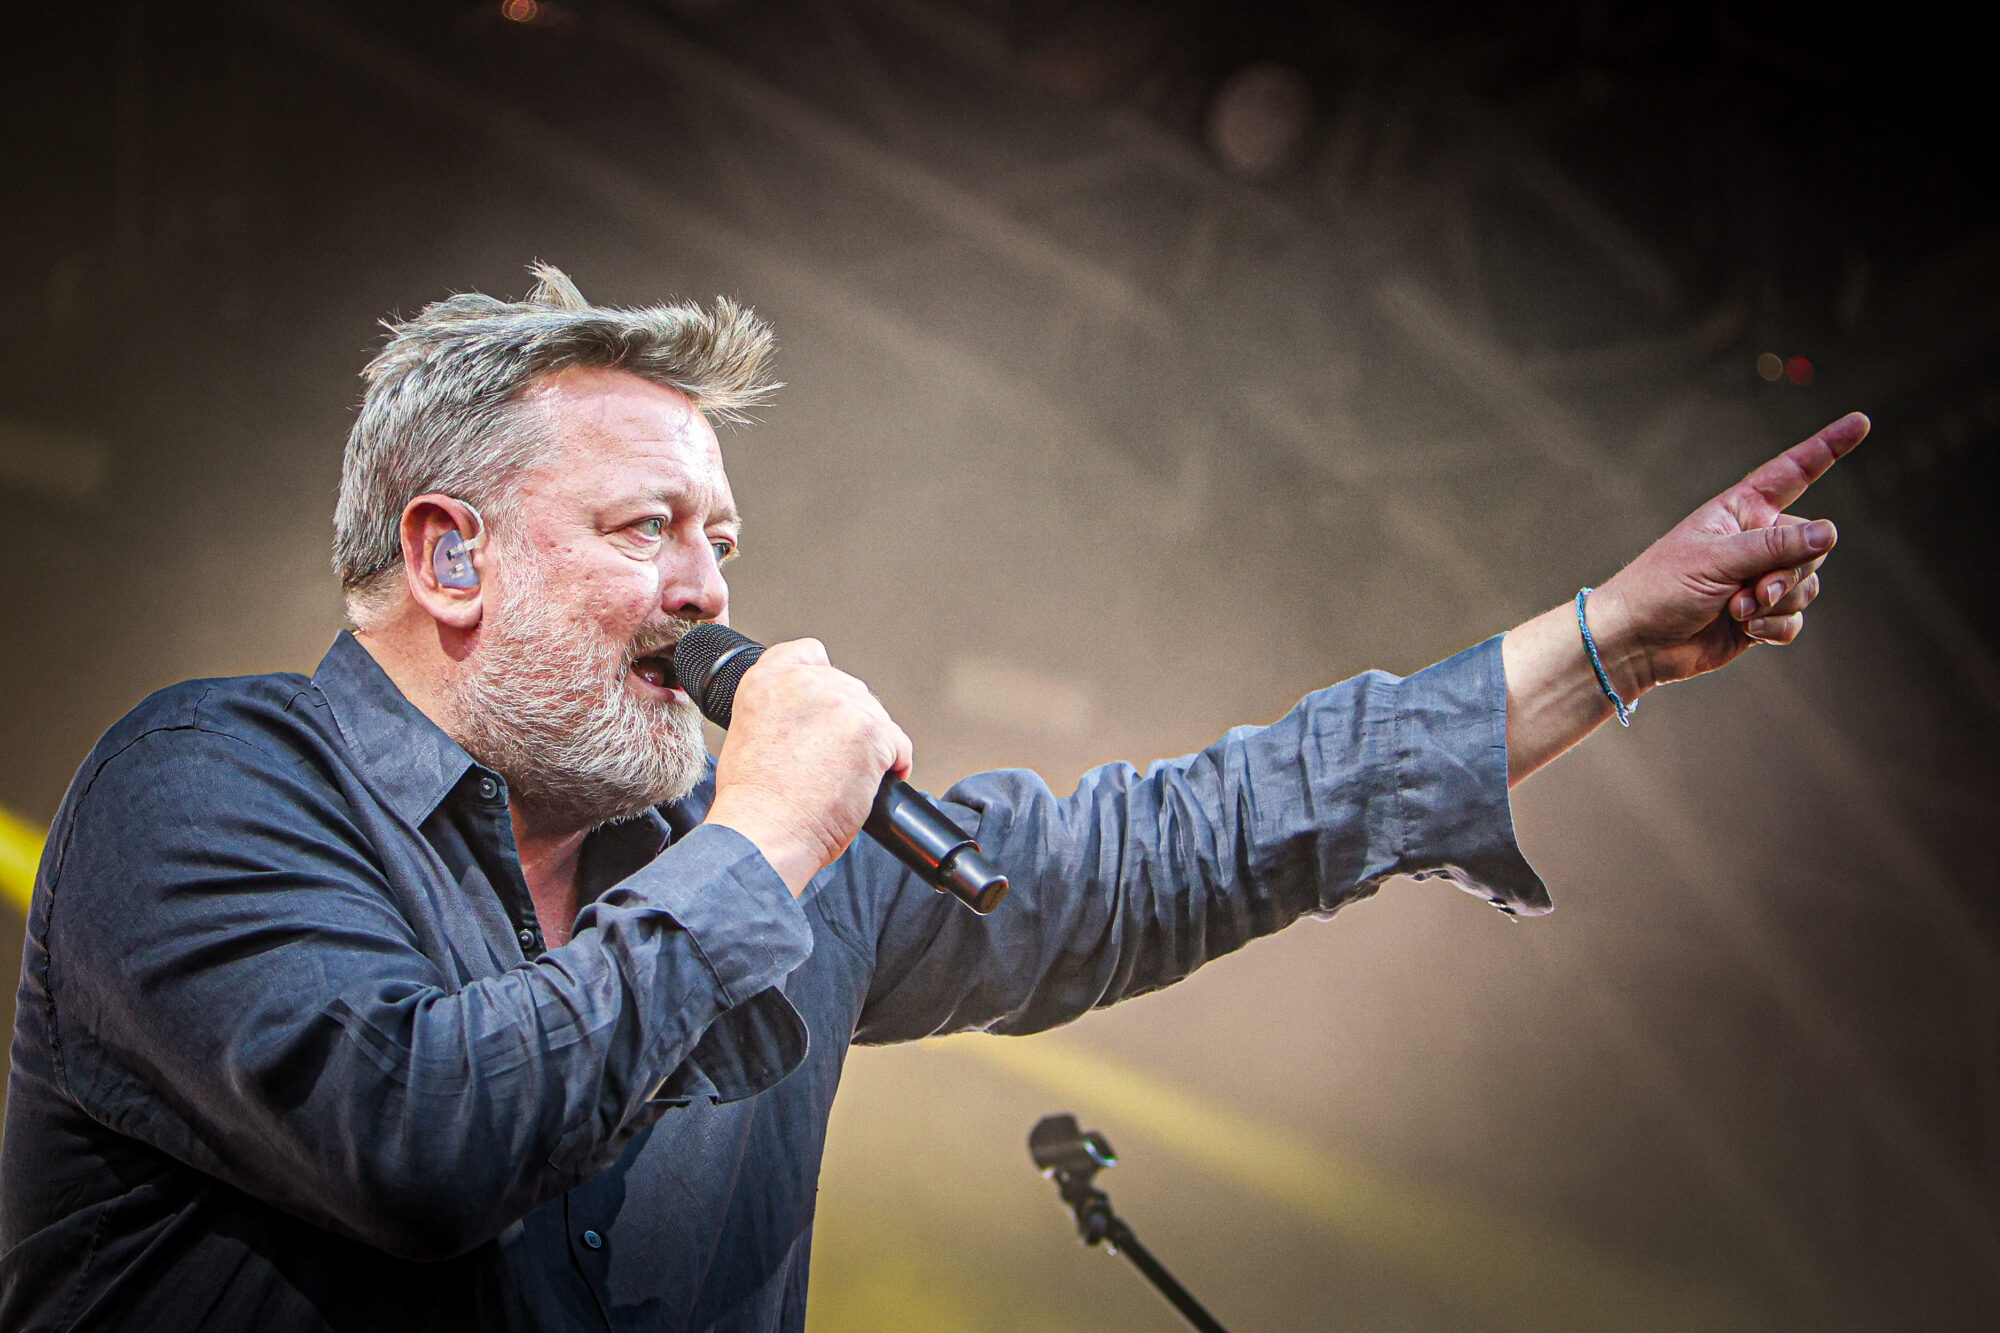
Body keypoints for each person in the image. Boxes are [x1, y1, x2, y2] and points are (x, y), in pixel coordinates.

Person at [0, 265, 1863, 1332]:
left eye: (724, 538)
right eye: (647, 526)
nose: (709, 588)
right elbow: (417, 1143)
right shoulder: (204, 785)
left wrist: (1601, 645)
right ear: (449, 553)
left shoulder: (742, 855)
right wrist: (767, 837)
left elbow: (1176, 842)